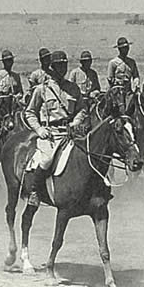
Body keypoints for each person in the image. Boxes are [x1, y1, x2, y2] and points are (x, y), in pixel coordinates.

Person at [23, 51, 87, 206]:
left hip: (70, 132)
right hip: (51, 134)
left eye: (64, 65)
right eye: (59, 65)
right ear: (52, 67)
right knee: (46, 160)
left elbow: (82, 109)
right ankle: (34, 192)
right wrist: (39, 129)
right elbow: (30, 112)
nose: (62, 68)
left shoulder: (73, 88)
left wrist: (75, 122)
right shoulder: (42, 89)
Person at [107, 36, 139, 110]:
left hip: (128, 90)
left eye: (127, 48)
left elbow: (135, 76)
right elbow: (110, 78)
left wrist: (136, 84)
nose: (126, 50)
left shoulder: (131, 62)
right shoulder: (113, 63)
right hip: (117, 91)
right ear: (119, 49)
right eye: (124, 48)